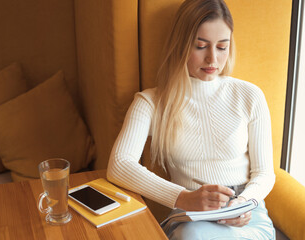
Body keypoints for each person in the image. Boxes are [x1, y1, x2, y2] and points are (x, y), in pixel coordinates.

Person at [107, 0, 276, 239]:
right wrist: (184, 198)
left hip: (247, 214)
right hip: (192, 216)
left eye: (222, 47)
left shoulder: (249, 95)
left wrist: (244, 202)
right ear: (181, 45)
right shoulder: (151, 102)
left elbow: (265, 173)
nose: (212, 59)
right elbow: (119, 165)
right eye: (200, 46)